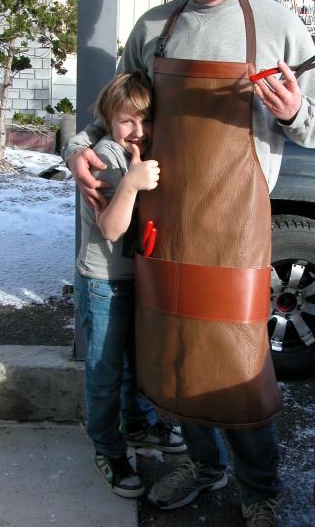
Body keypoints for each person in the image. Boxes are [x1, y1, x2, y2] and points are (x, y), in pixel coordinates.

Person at [64, 0, 315, 524]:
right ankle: (206, 467)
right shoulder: (153, 28)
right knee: (176, 353)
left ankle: (258, 488)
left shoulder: (277, 26)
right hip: (163, 225)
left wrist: (293, 112)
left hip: (236, 231)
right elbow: (117, 110)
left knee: (240, 364)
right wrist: (77, 149)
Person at [74, 71, 186, 500]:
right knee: (105, 372)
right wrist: (133, 185)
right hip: (103, 283)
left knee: (137, 364)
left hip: (137, 280)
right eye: (127, 121)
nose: (138, 131)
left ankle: (137, 423)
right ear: (108, 120)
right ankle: (107, 447)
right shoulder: (105, 157)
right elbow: (112, 227)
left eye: (146, 120)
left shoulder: (140, 152)